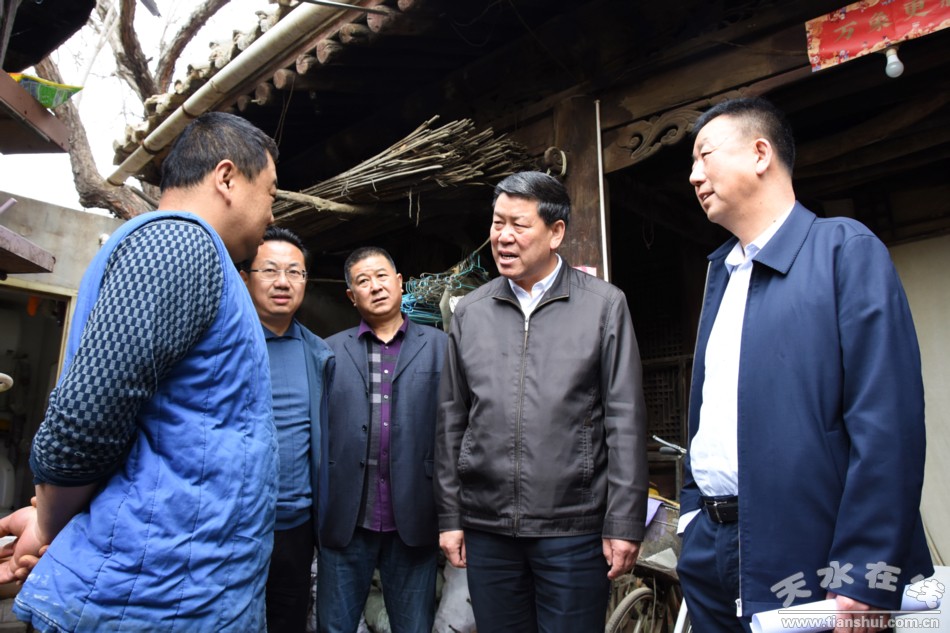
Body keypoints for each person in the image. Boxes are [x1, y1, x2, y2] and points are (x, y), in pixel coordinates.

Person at [0, 111, 281, 632]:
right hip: (153, 599)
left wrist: (46, 519)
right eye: (270, 193)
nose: (271, 213)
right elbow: (85, 420)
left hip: (174, 592)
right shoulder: (178, 243)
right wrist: (47, 522)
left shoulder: (197, 258)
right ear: (226, 178)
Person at [677, 96, 933, 632]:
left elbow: (888, 422)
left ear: (760, 153)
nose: (694, 175)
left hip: (810, 549)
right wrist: (691, 514)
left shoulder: (843, 249)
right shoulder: (723, 273)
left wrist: (866, 571)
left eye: (705, 155)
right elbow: (706, 414)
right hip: (710, 547)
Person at [435, 171, 649, 632]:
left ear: (556, 232)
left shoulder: (603, 305)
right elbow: (452, 418)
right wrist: (451, 516)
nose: (503, 236)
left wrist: (624, 521)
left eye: (519, 224)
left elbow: (625, 418)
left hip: (573, 527)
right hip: (489, 528)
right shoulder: (470, 311)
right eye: (497, 223)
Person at [317, 246, 447, 633]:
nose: (375, 286)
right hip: (347, 519)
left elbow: (454, 430)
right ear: (351, 296)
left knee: (413, 627)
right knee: (334, 626)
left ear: (399, 282)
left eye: (381, 276)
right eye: (363, 281)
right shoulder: (328, 351)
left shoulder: (440, 346)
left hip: (415, 516)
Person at [240, 225, 333, 633]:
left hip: (296, 527)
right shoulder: (223, 345)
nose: (283, 282)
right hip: (235, 523)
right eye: (270, 271)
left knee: (288, 619)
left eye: (294, 272)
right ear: (245, 278)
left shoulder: (319, 354)